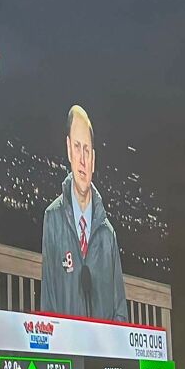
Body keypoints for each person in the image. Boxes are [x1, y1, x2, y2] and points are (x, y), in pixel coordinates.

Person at [41, 105, 127, 321]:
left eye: (87, 150)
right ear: (68, 149)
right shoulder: (52, 219)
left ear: (94, 159)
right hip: (67, 351)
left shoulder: (108, 234)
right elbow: (48, 301)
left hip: (102, 353)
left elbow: (120, 310)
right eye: (77, 147)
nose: (82, 159)